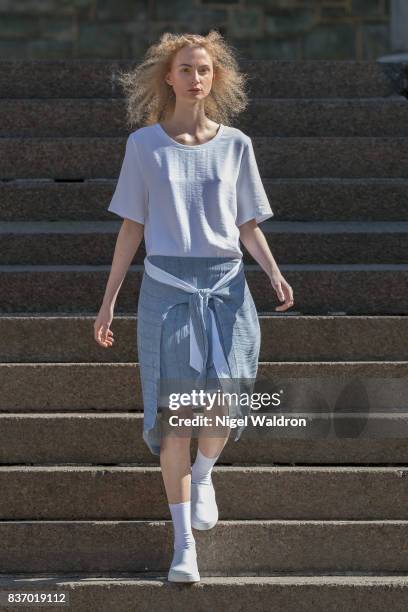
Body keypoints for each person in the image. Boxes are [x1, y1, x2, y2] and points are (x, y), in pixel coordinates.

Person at [94, 30, 294, 583]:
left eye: (204, 69)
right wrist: (109, 301)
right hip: (167, 289)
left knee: (227, 400)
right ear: (168, 76)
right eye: (185, 69)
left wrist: (273, 273)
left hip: (227, 286)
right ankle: (184, 545)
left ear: (216, 76)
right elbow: (132, 226)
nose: (195, 78)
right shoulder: (143, 146)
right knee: (177, 418)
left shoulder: (237, 145)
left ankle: (205, 471)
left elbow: (246, 221)